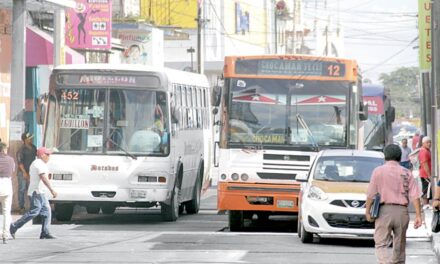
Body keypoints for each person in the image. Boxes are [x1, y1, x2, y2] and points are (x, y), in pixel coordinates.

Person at [365, 144, 422, 264]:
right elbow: (415, 195)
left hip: (384, 212)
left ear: (385, 157)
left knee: (381, 243)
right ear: (400, 157)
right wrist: (418, 216)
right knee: (400, 245)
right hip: (402, 212)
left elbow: (371, 194)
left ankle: (386, 262)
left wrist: (367, 211)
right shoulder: (407, 173)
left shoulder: (378, 171)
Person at [10, 147, 57, 239]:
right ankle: (14, 226)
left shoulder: (40, 163)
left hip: (40, 192)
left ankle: (45, 232)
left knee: (46, 212)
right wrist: (52, 190)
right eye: (47, 154)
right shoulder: (38, 164)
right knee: (34, 212)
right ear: (41, 155)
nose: (49, 156)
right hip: (37, 192)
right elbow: (43, 178)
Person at [16, 132, 37, 212]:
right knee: (22, 189)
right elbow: (20, 162)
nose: (31, 139)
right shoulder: (21, 150)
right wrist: (25, 173)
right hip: (22, 173)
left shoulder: (34, 147)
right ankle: (21, 207)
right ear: (25, 140)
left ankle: (33, 206)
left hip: (32, 172)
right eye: (29, 138)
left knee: (31, 189)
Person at [0, 142, 15, 244]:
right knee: (6, 212)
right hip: (6, 185)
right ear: (5, 150)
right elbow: (12, 171)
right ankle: (5, 235)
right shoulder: (11, 160)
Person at [418, 136, 432, 209]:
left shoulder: (427, 150)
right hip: (425, 175)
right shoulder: (424, 151)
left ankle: (426, 205)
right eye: (427, 142)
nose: (429, 144)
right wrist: (429, 175)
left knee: (428, 191)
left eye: (430, 142)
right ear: (423, 143)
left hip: (426, 174)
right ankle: (425, 206)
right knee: (426, 191)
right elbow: (424, 163)